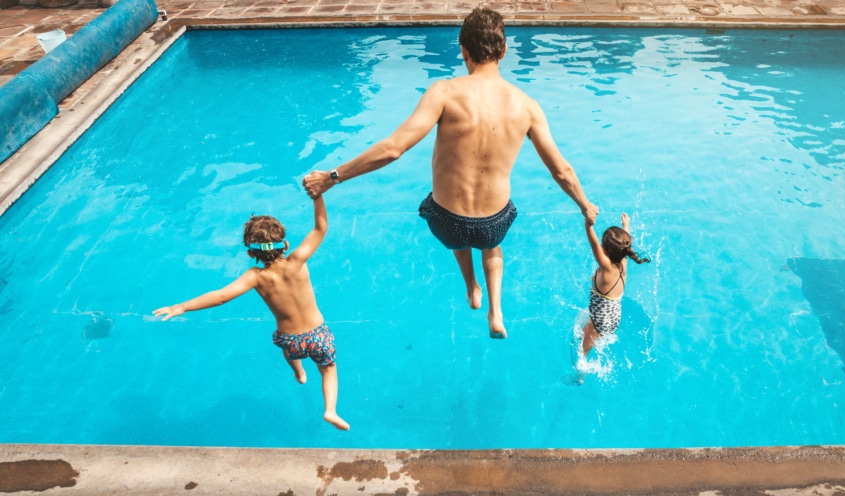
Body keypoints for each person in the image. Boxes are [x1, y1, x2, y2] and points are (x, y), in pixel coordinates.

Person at [302, 8, 598, 339]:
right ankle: (495, 310)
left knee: (456, 227)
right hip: (493, 224)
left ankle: (472, 288)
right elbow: (561, 170)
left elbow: (393, 148)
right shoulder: (527, 106)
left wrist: (331, 177)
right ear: (503, 51)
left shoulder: (444, 92)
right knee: (492, 245)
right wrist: (585, 205)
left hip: (446, 222)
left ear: (463, 50)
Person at [153, 196, 350, 431]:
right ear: (285, 245)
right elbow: (320, 227)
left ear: (250, 254)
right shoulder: (298, 260)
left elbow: (221, 296)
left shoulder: (255, 277)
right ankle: (330, 410)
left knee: (289, 350)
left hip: (290, 338)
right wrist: (318, 196)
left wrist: (182, 306)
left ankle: (298, 372)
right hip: (317, 335)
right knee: (328, 370)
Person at [580, 213, 650, 358]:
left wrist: (588, 225)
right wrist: (626, 226)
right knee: (588, 332)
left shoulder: (607, 268)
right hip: (614, 315)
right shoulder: (623, 260)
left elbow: (594, 246)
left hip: (600, 319)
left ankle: (579, 377)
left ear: (604, 250)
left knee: (582, 350)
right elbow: (624, 245)